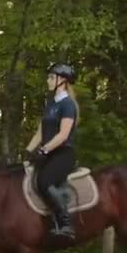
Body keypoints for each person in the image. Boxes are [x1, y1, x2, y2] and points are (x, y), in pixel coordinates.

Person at [25, 62, 79, 240]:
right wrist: (28, 152)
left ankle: (66, 224)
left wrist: (43, 150)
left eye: (51, 77)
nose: (47, 80)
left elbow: (63, 135)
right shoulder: (50, 104)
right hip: (48, 152)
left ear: (62, 80)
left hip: (63, 153)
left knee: (44, 181)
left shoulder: (68, 105)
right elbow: (41, 132)